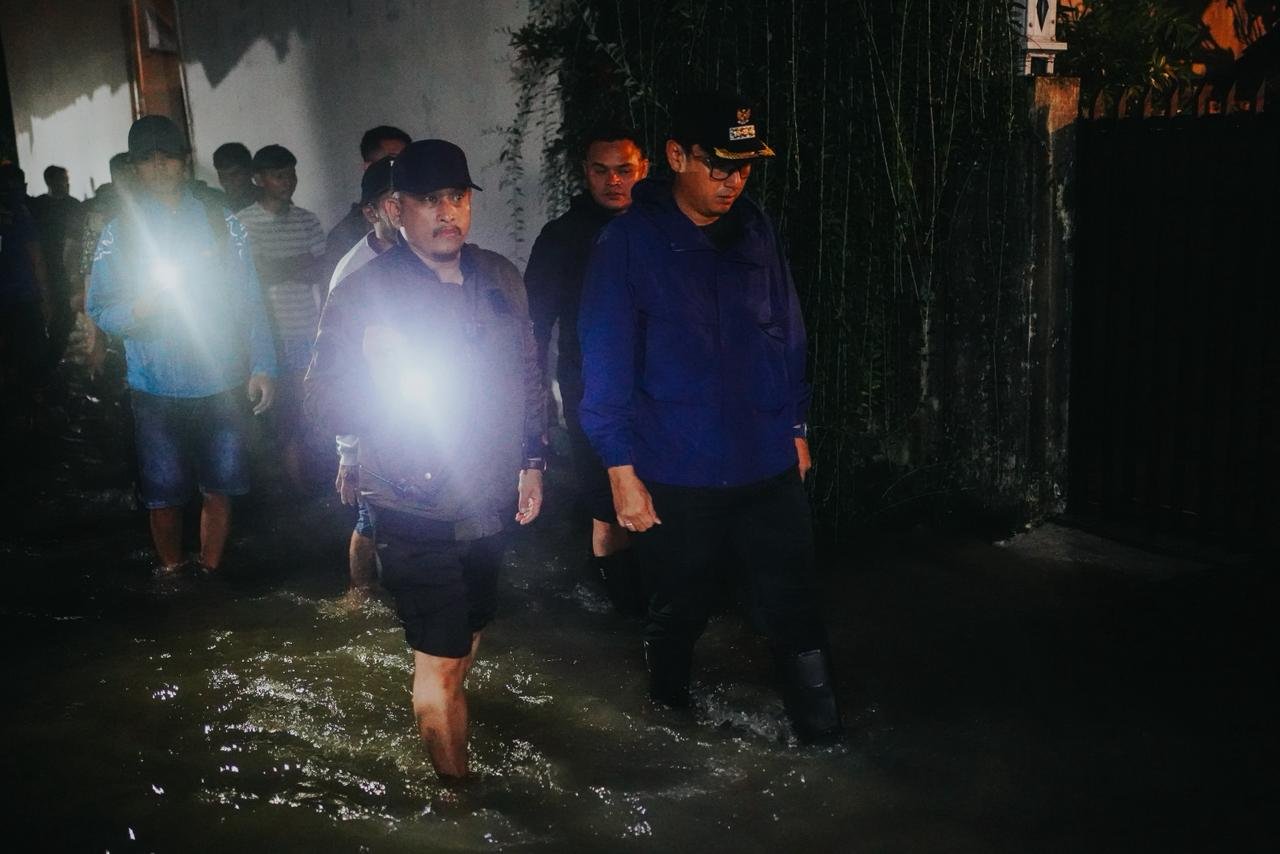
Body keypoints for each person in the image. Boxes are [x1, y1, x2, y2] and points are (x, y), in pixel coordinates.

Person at [577, 92, 840, 742]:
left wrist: (797, 427)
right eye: (718, 165)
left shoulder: (756, 229)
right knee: (681, 606)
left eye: (743, 167)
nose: (732, 181)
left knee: (795, 604)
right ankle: (667, 725)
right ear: (676, 157)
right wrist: (619, 469)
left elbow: (788, 330)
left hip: (766, 460)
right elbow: (605, 362)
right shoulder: (627, 243)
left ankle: (824, 739)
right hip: (678, 469)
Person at [306, 139, 545, 781]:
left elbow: (528, 373)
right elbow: (320, 404)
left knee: (467, 636)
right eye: (430, 199)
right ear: (396, 208)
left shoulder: (499, 275)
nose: (447, 212)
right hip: (411, 499)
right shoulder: (362, 294)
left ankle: (444, 713)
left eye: (458, 198)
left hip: (489, 493)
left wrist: (533, 459)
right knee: (438, 659)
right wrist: (374, 370)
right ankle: (457, 800)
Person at [87, 115, 278, 574]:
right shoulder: (120, 232)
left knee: (221, 486)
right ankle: (173, 573)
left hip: (221, 380)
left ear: (185, 161)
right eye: (148, 160)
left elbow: (250, 298)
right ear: (135, 168)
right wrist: (139, 309)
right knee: (164, 494)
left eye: (168, 157)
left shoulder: (221, 222)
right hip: (155, 386)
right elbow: (99, 307)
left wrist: (264, 365)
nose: (159, 168)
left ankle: (209, 573)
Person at [524, 126, 649, 613]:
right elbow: (534, 328)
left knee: (665, 500)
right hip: (590, 393)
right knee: (606, 504)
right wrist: (536, 411)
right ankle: (621, 614)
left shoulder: (662, 229)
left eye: (624, 170)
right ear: (585, 173)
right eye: (602, 170)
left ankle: (650, 609)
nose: (613, 181)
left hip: (659, 392)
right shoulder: (562, 238)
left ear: (644, 169)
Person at [326, 155, 398, 600]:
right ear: (371, 211)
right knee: (369, 515)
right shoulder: (353, 272)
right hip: (376, 416)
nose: (405, 208)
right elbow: (340, 368)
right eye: (394, 200)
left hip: (433, 406)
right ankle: (361, 596)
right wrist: (349, 451)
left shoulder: (438, 257)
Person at [236, 144, 326, 491]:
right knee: (282, 411)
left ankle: (313, 483)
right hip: (268, 334)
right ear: (258, 179)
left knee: (309, 407)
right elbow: (255, 275)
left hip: (307, 328)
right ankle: (293, 487)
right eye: (278, 175)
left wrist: (277, 268)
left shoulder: (307, 220)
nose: (288, 181)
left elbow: (319, 269)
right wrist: (296, 264)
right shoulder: (244, 223)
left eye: (291, 174)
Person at [321, 125, 411, 283]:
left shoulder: (427, 227)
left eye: (408, 161)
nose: (402, 168)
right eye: (392, 160)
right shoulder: (344, 238)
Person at [0, 161, 50, 434]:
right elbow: (36, 257)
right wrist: (46, 297)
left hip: (17, 299)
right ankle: (32, 411)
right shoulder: (21, 214)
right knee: (30, 356)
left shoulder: (21, 213)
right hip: (24, 298)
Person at [29, 165, 82, 372]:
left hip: (65, 271)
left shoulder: (73, 206)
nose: (66, 184)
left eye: (66, 180)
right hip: (49, 270)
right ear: (50, 182)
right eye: (62, 180)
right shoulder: (40, 206)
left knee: (66, 316)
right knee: (56, 317)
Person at [212, 142, 261, 212]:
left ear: (250, 171)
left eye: (234, 174)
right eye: (222, 176)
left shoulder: (269, 201)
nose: (228, 181)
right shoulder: (217, 205)